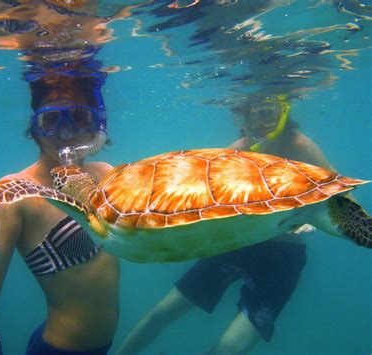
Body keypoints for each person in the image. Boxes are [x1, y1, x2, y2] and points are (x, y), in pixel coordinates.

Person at [116, 95, 336, 355]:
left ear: (283, 114)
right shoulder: (234, 152)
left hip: (283, 260)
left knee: (226, 350)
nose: (256, 127)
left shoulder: (300, 148)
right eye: (247, 117)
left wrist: (308, 216)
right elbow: (204, 199)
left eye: (266, 115)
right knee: (159, 314)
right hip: (237, 243)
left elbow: (341, 199)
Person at [0, 68, 120, 355]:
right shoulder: (14, 195)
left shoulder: (104, 175)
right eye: (51, 120)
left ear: (98, 126)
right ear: (34, 127)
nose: (66, 134)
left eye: (80, 118)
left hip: (103, 345)